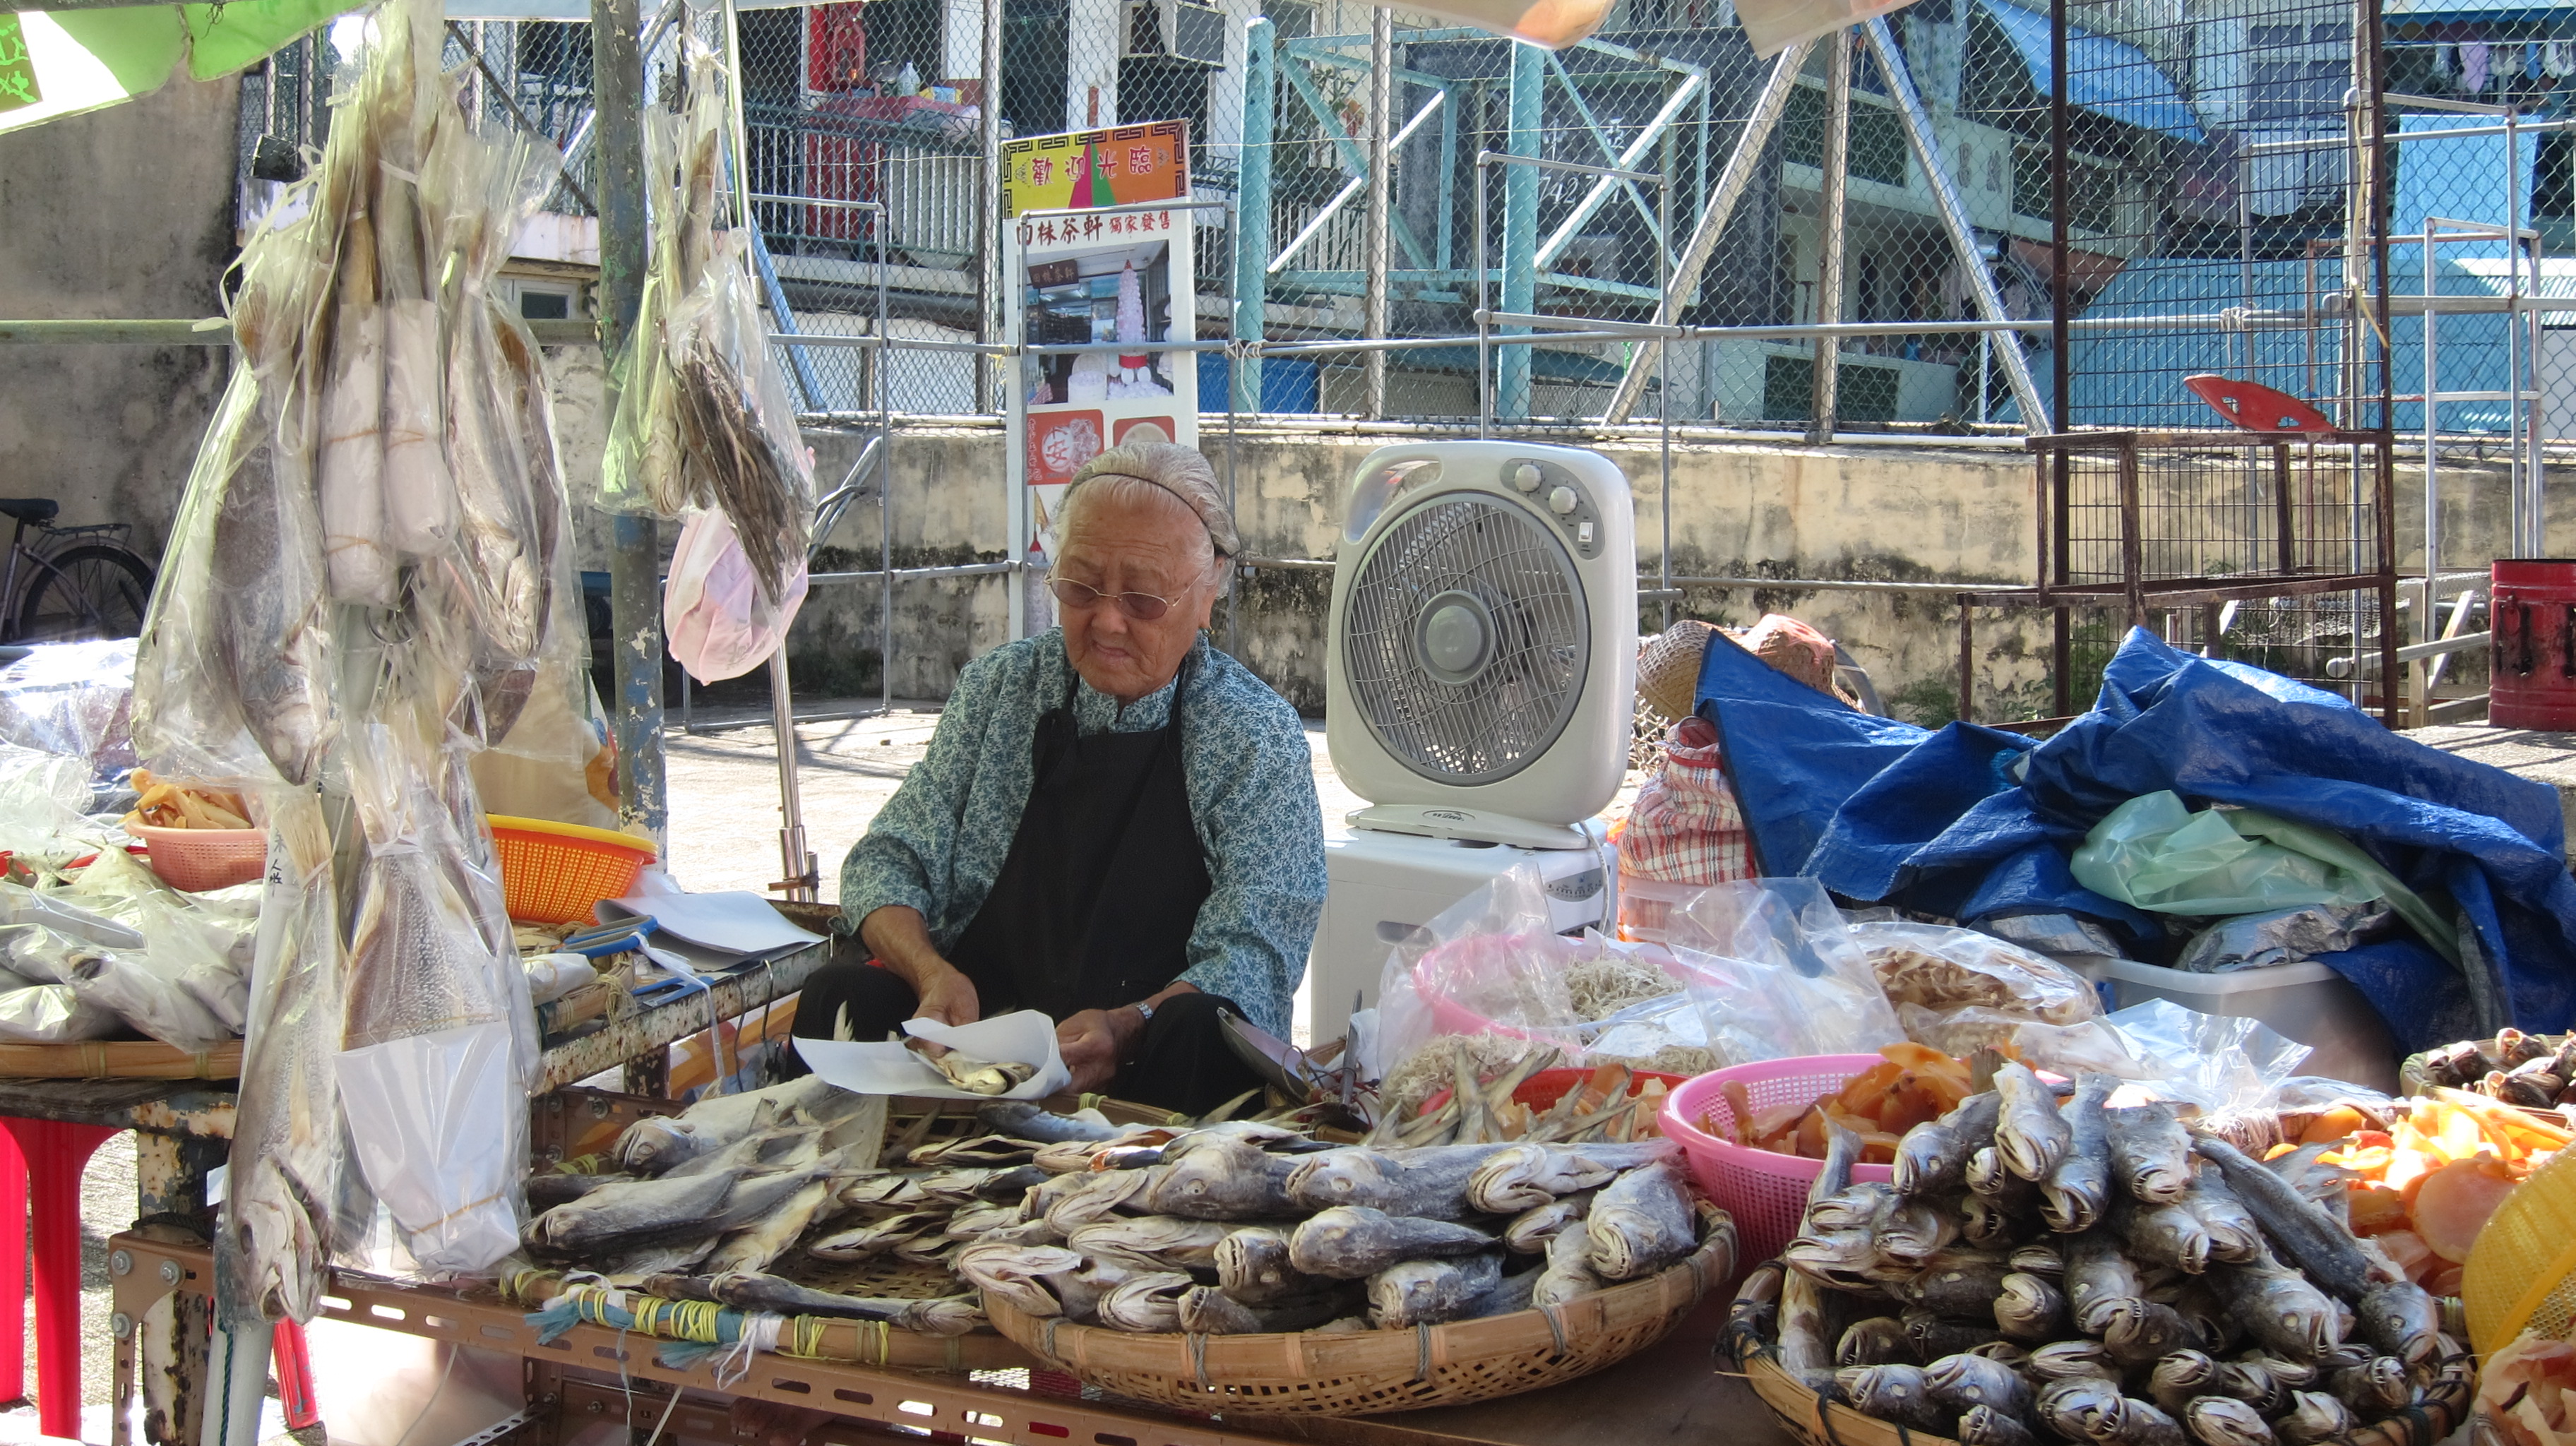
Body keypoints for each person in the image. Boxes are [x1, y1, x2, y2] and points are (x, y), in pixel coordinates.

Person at [786, 441, 1328, 1113]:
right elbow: (887, 862)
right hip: (974, 1051)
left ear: (1207, 593)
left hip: (1140, 1079)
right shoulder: (1001, 690)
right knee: (843, 994)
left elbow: (1255, 960)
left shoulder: (1255, 739)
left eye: (1143, 598)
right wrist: (933, 974)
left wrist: (1129, 1027)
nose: (1106, 619)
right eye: (1081, 586)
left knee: (1200, 1031)